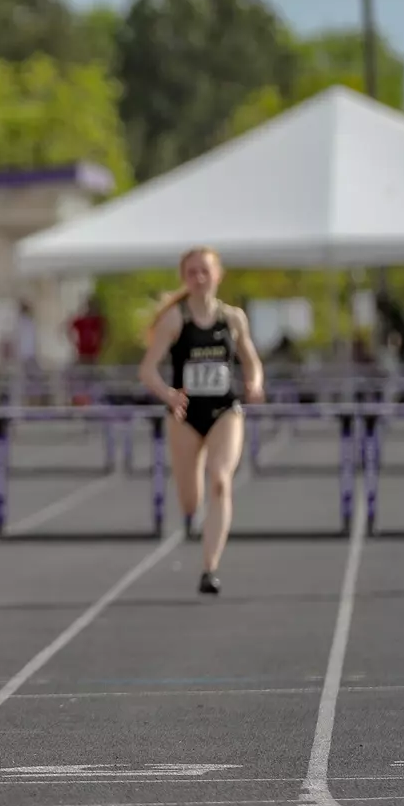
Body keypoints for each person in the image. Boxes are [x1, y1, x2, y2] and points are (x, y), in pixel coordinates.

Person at [138, 246, 266, 596]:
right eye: (192, 272)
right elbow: (147, 370)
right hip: (184, 415)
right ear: (184, 278)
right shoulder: (175, 319)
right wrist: (168, 394)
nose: (199, 278)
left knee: (221, 480)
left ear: (217, 275)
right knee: (190, 501)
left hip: (225, 410)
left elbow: (251, 360)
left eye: (204, 271)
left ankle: (210, 569)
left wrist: (254, 383)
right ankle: (194, 518)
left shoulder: (233, 318)